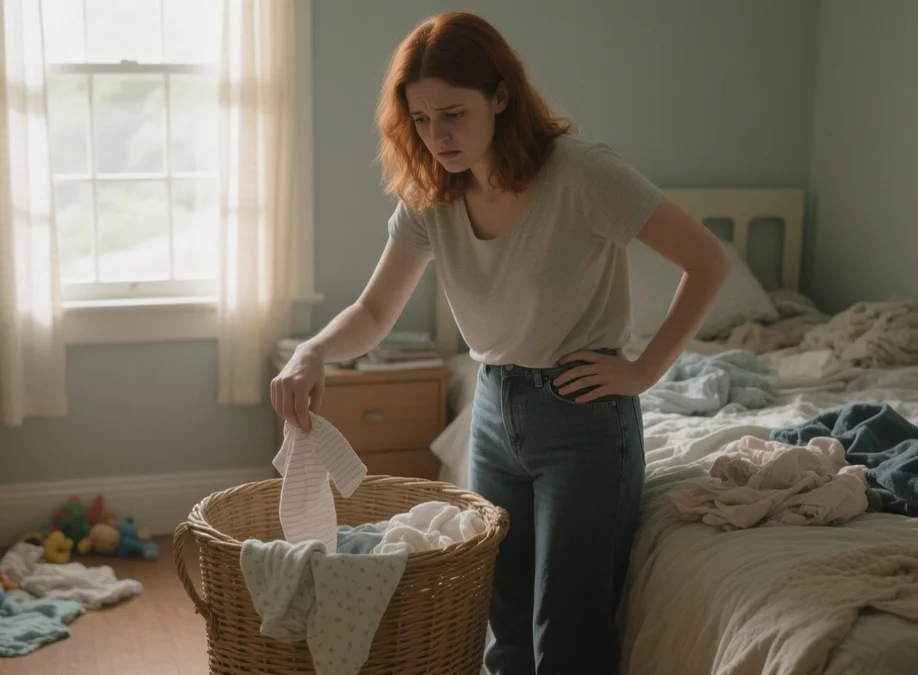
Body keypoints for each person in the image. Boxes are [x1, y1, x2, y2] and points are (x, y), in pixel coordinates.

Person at [270, 11, 730, 675]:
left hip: (582, 421)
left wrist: (646, 369)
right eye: (422, 120)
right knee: (505, 628)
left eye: (453, 114)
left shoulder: (580, 173)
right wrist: (311, 351)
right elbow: (374, 310)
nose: (437, 136)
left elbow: (708, 260)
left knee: (566, 634)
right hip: (492, 412)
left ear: (501, 96)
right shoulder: (432, 195)